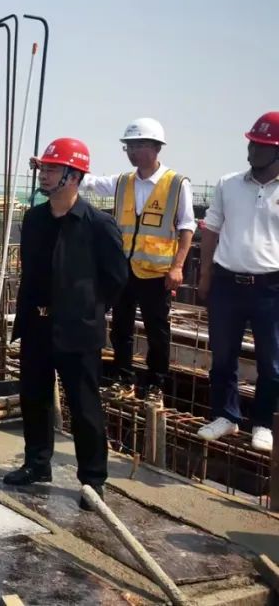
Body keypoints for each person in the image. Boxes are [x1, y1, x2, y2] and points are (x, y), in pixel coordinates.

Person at [4, 138, 127, 510]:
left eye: (52, 169)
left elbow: (116, 278)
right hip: (37, 326)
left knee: (84, 406)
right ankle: (37, 463)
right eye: (43, 168)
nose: (44, 174)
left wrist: (86, 309)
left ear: (74, 176)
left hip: (78, 330)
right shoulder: (34, 220)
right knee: (34, 398)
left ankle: (92, 479)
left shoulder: (98, 225)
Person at [77, 118, 194, 402]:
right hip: (124, 270)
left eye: (137, 146)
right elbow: (89, 182)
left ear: (155, 148)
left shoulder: (176, 184)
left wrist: (178, 267)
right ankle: (123, 379)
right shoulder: (123, 182)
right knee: (121, 328)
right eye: (128, 147)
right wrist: (55, 166)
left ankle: (156, 385)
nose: (131, 152)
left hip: (156, 272)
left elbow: (186, 226)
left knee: (157, 331)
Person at [196, 112, 279, 453]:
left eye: (262, 145)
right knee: (223, 355)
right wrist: (205, 275)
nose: (253, 150)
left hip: (271, 288)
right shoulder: (228, 184)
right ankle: (225, 415)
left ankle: (262, 423)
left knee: (271, 362)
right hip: (227, 283)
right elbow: (211, 229)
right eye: (252, 143)